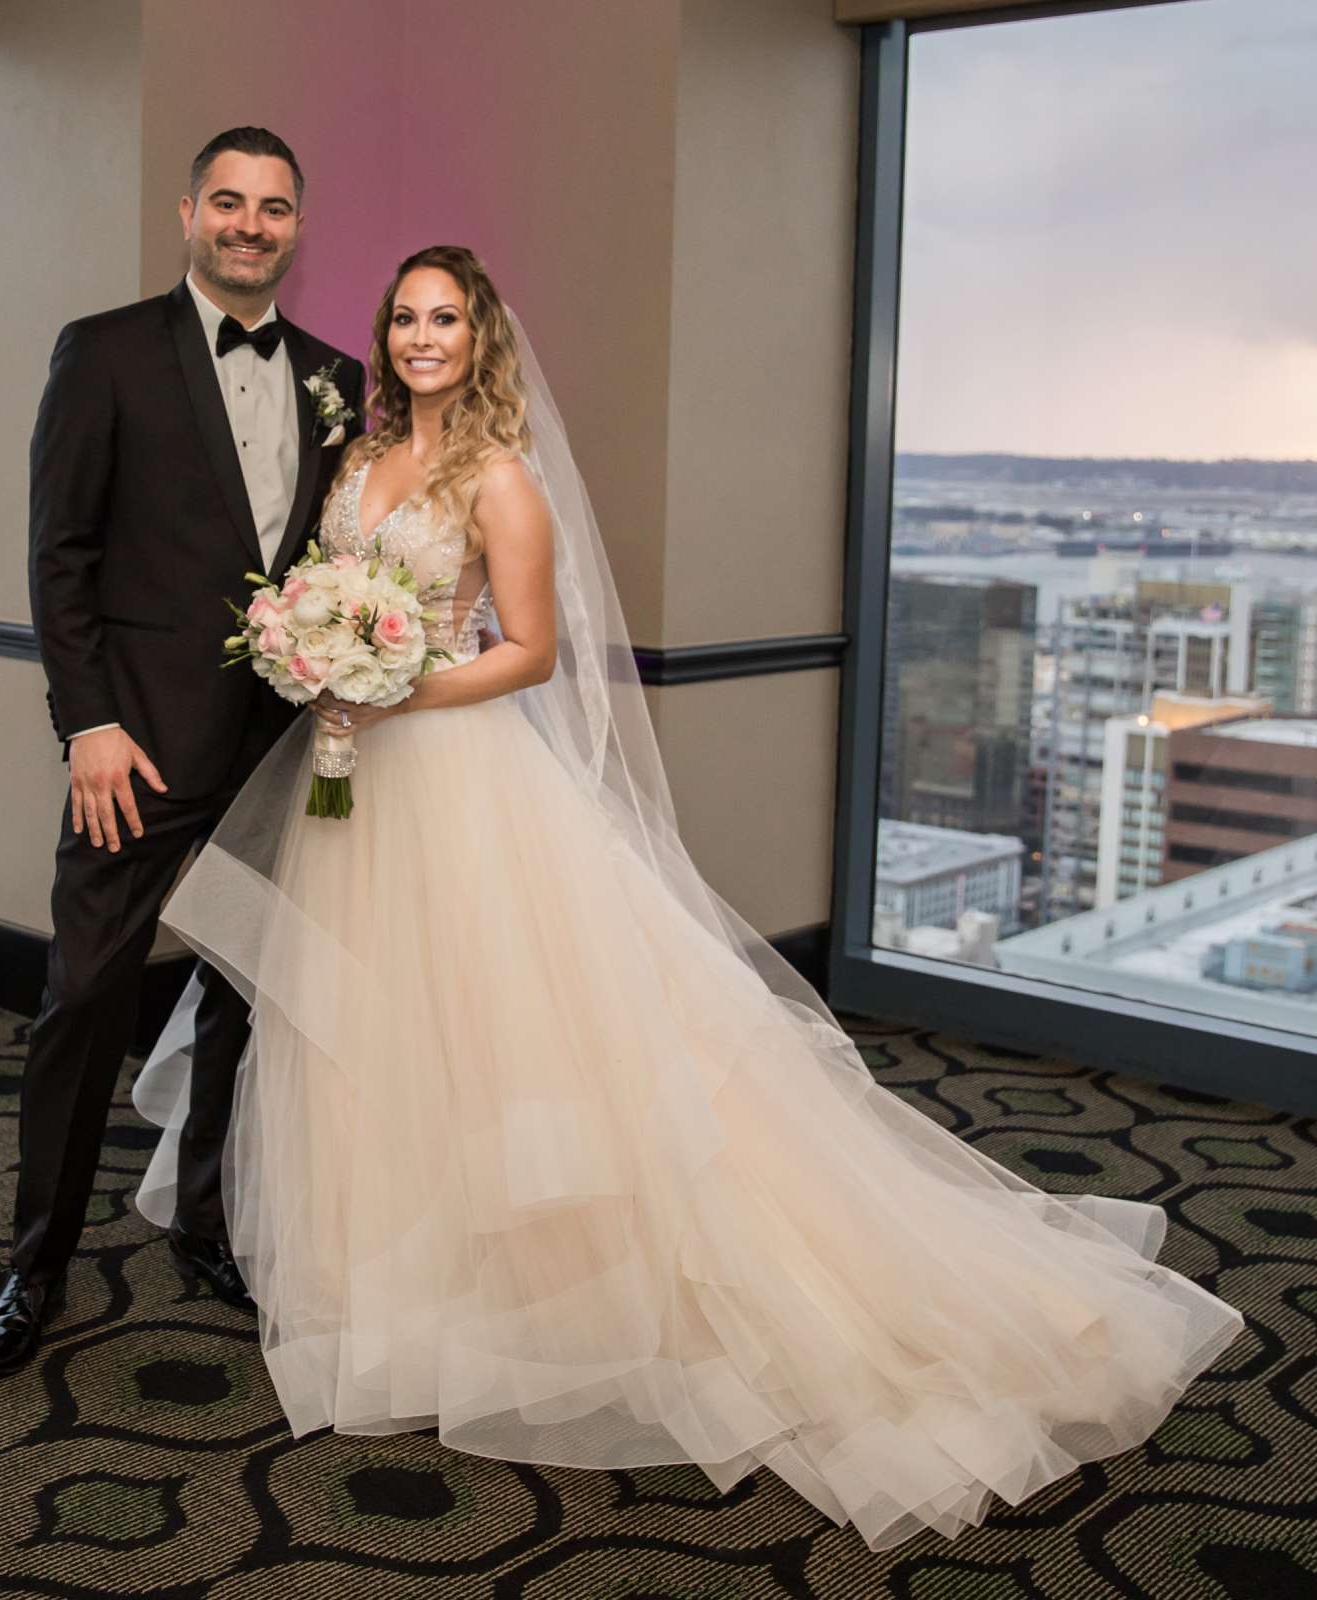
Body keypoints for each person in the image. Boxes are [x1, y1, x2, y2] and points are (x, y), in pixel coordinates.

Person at [129, 245, 1245, 1550]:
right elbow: (322, 593)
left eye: (446, 318)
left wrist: (397, 684)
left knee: (496, 1035)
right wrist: (315, 653)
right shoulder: (360, 463)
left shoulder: (502, 478)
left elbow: (533, 652)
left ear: (481, 338)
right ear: (384, 336)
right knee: (366, 1037)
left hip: (453, 782)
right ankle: (392, 1302)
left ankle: (524, 1302)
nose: (422, 336)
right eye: (405, 317)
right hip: (348, 787)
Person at [0, 127, 364, 1375]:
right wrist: (87, 724)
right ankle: (34, 1266)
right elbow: (60, 556)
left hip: (279, 751)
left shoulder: (336, 374)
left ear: (300, 226)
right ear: (188, 210)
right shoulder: (104, 352)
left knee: (247, 1001)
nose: (252, 225)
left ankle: (206, 1226)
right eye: (231, 203)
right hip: (129, 753)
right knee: (84, 1002)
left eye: (277, 208)